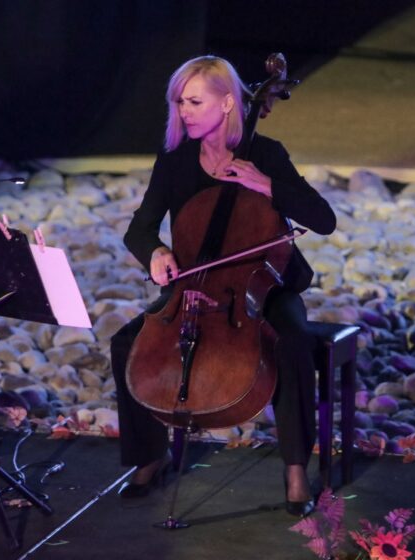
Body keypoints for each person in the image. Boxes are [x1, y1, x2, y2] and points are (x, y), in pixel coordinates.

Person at [110, 55, 336, 517]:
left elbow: (324, 220)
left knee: (292, 342)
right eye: (180, 102)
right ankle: (149, 456)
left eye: (195, 101)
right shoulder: (175, 161)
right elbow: (140, 228)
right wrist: (155, 253)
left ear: (229, 103)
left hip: (263, 285)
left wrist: (266, 185)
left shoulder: (267, 154)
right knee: (125, 342)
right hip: (195, 283)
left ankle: (296, 469)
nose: (184, 111)